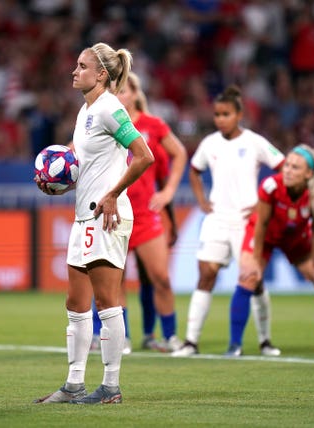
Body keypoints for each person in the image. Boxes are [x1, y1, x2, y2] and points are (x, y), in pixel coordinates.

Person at [34, 42, 154, 404]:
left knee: (107, 302)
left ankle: (111, 386)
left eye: (82, 66)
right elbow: (88, 167)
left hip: (108, 216)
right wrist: (62, 184)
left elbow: (143, 155)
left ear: (101, 74)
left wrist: (115, 193)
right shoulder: (85, 111)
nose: (74, 71)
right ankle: (73, 384)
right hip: (83, 215)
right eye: (75, 65)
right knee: (75, 302)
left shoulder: (110, 109)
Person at [172, 85, 285, 357]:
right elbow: (195, 171)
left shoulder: (254, 142)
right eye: (217, 114)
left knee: (252, 280)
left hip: (247, 221)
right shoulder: (210, 143)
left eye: (225, 114)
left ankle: (265, 341)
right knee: (206, 274)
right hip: (217, 219)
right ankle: (191, 342)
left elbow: (282, 168)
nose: (220, 119)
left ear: (239, 115)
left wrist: (262, 201)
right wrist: (201, 200)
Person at [91, 71, 187, 354]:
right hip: (114, 212)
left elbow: (180, 153)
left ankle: (169, 337)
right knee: (115, 281)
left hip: (145, 216)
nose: (121, 95)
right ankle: (125, 339)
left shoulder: (153, 125)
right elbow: (79, 148)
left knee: (161, 278)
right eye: (116, 91)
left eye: (125, 90)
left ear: (135, 93)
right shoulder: (103, 121)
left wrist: (169, 191)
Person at [225, 144, 314, 357]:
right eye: (287, 166)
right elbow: (262, 224)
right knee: (249, 276)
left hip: (297, 240)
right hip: (264, 237)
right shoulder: (270, 187)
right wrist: (255, 259)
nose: (287, 170)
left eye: (295, 168)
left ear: (309, 174)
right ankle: (234, 345)